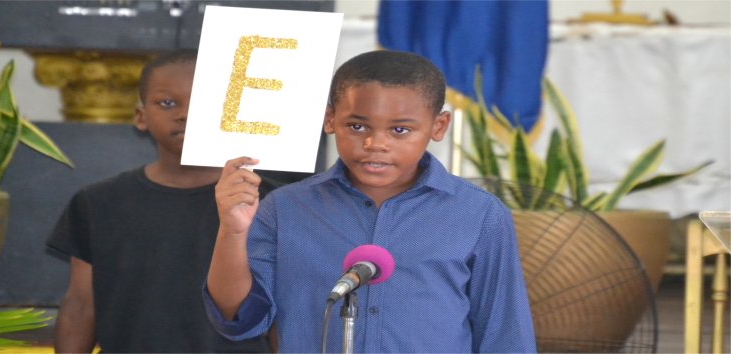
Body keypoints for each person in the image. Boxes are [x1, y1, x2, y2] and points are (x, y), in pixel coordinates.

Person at [204, 50, 536, 352]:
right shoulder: (285, 209)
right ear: (330, 120)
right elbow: (239, 321)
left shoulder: (478, 214)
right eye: (358, 126)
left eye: (400, 131)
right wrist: (231, 232)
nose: (375, 144)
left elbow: (504, 333)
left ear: (439, 126)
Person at [48, 49, 278, 353]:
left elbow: (285, 309)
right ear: (141, 117)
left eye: (203, 103)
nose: (185, 114)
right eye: (167, 103)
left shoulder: (271, 201)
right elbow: (80, 305)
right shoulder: (98, 202)